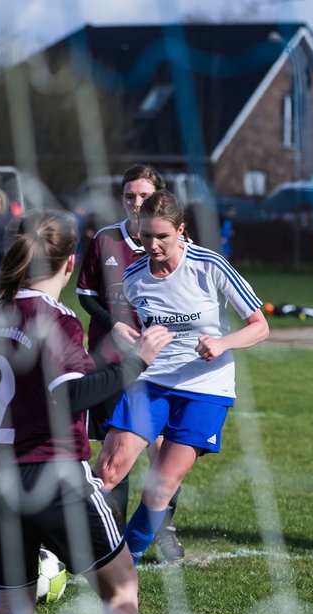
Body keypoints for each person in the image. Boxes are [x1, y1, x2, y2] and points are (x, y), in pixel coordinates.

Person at [0, 210, 177, 614]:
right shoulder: (57, 319)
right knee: (122, 587)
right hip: (52, 475)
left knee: (11, 613)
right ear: (70, 263)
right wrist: (137, 363)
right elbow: (64, 399)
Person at [93, 190, 269, 563]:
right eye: (145, 236)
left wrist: (223, 343)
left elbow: (260, 326)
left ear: (181, 230)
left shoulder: (210, 266)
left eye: (162, 237)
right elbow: (139, 330)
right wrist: (126, 336)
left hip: (205, 390)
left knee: (159, 489)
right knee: (106, 470)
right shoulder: (133, 277)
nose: (153, 245)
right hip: (151, 382)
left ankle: (127, 562)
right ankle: (63, 551)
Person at [76, 163, 185, 563]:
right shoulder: (105, 240)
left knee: (162, 453)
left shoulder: (170, 242)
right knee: (112, 452)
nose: (135, 203)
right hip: (112, 363)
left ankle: (163, 528)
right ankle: (111, 535)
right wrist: (114, 325)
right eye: (129, 196)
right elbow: (86, 294)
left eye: (143, 196)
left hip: (161, 366)